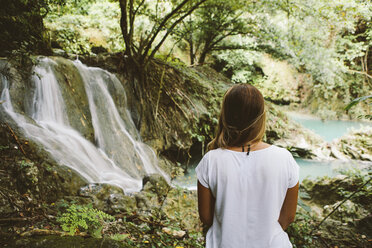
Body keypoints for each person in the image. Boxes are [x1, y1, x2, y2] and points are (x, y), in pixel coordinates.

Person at [195, 84, 299, 248]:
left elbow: (207, 217)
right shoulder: (284, 158)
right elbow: (288, 217)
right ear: (261, 116)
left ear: (226, 115)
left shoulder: (211, 161)